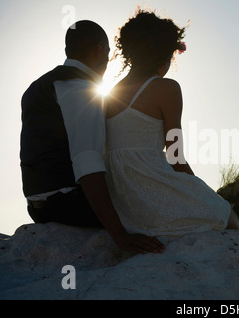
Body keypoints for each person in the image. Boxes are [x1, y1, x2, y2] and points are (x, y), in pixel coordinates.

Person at [20, 20, 165, 254]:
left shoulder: (39, 86)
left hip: (38, 205)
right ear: (100, 49)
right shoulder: (80, 89)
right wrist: (120, 235)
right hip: (68, 204)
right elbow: (88, 165)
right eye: (108, 52)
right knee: (164, 205)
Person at [104, 10, 239, 237]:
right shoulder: (167, 88)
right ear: (163, 53)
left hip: (122, 202)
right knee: (227, 215)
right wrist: (206, 195)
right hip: (152, 191)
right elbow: (175, 157)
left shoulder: (108, 94)